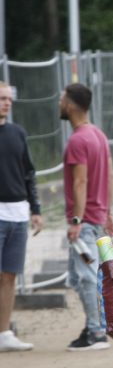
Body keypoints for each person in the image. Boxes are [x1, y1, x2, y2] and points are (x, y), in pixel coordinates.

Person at [59, 83, 113, 351]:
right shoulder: (99, 136)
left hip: (86, 221)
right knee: (84, 275)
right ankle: (94, 325)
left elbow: (80, 182)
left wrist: (76, 221)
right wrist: (108, 211)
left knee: (85, 277)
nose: (59, 103)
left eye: (62, 99)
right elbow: (111, 175)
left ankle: (96, 331)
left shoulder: (77, 140)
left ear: (70, 105)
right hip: (98, 216)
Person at [0, 81, 43, 352]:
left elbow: (29, 173)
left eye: (9, 99)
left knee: (9, 275)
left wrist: (35, 209)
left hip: (18, 213)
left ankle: (4, 332)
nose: (7, 102)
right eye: (2, 98)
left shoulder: (18, 133)